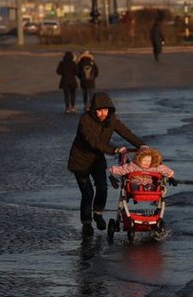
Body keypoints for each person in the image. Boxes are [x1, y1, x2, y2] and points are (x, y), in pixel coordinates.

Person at [67, 92, 146, 236]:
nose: (103, 113)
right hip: (80, 161)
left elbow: (126, 132)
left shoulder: (112, 119)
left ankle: (97, 213)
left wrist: (142, 146)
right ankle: (86, 223)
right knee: (88, 193)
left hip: (97, 160)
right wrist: (114, 149)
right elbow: (93, 141)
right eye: (99, 110)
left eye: (106, 110)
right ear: (94, 109)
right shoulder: (85, 120)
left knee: (103, 188)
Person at [109, 147, 176, 191]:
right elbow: (123, 169)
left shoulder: (154, 167)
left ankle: (151, 188)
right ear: (139, 159)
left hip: (149, 182)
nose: (146, 163)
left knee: (153, 186)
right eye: (144, 161)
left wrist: (171, 176)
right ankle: (140, 188)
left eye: (148, 161)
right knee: (134, 184)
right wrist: (113, 170)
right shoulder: (133, 165)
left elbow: (164, 169)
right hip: (136, 182)